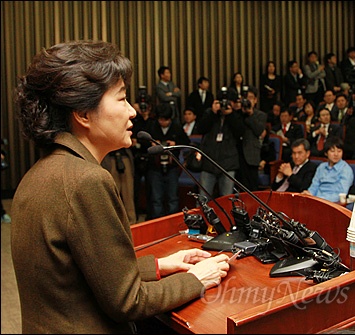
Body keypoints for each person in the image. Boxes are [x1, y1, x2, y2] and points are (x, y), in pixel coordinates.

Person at [11, 40, 230, 334]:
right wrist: (197, 279)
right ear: (83, 114)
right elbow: (128, 301)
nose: (133, 112)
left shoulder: (40, 173)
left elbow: (79, 275)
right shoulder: (86, 180)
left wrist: (159, 266)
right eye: (121, 99)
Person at [195, 88, 244, 197]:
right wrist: (212, 113)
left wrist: (230, 115)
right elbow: (201, 129)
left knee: (227, 199)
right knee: (203, 198)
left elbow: (240, 132)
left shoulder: (237, 115)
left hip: (228, 164)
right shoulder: (210, 113)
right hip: (209, 162)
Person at [144, 103, 190, 219]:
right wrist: (152, 143)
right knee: (156, 198)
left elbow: (186, 142)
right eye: (161, 119)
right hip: (155, 167)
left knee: (173, 198)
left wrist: (175, 144)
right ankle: (157, 223)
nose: (163, 122)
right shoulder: (152, 126)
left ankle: (173, 223)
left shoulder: (176, 127)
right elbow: (142, 142)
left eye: (165, 120)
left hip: (172, 167)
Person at [234, 86, 267, 192]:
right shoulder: (237, 114)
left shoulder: (260, 115)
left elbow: (258, 131)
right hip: (236, 155)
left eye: (251, 97)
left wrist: (250, 114)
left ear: (255, 100)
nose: (248, 100)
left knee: (252, 189)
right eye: (246, 97)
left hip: (251, 155)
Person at [303, 137, 353, 203]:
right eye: (332, 151)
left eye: (339, 151)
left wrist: (318, 199)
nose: (336, 154)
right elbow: (314, 186)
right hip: (316, 201)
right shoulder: (321, 167)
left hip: (332, 203)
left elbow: (341, 194)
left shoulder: (346, 169)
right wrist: (309, 194)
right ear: (326, 153)